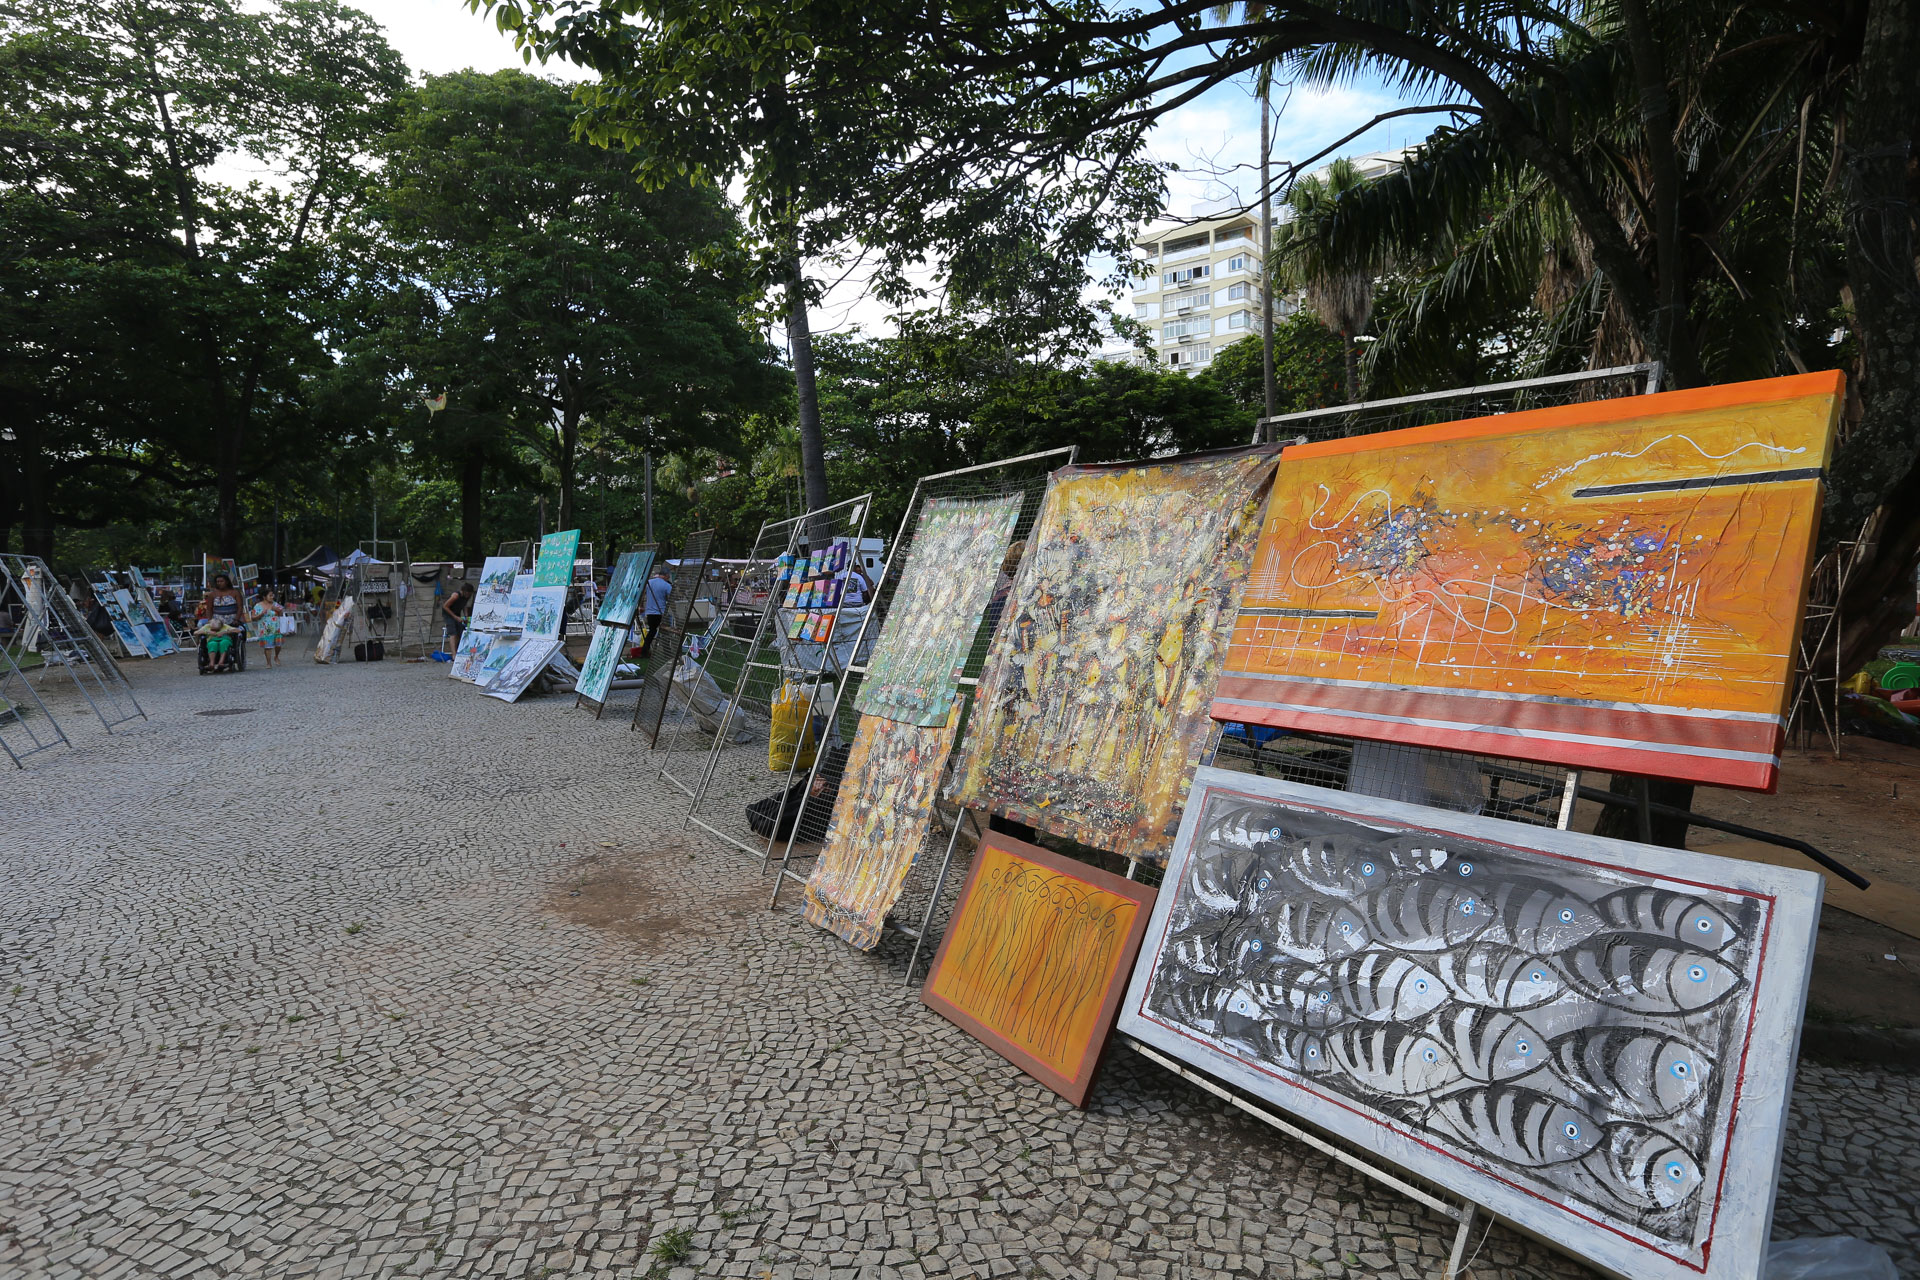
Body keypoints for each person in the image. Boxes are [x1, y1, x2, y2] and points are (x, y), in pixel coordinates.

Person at [638, 566, 672, 658]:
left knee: (652, 631)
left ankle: (644, 651)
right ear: (666, 575)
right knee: (665, 632)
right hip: (661, 612)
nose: (669, 578)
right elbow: (671, 598)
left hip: (650, 613)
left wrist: (641, 605)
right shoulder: (666, 585)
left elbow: (642, 594)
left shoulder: (649, 582)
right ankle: (667, 653)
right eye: (668, 576)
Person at [250, 589, 286, 668]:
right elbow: (253, 617)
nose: (272, 597)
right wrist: (261, 614)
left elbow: (281, 614)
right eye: (270, 595)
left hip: (276, 628)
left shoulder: (275, 604)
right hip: (265, 629)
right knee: (267, 647)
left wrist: (278, 611)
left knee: (278, 645)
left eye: (272, 595)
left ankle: (276, 656)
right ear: (264, 597)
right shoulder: (258, 606)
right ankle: (268, 663)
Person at [441, 582, 473, 648]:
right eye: (467, 593)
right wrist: (455, 617)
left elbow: (464, 606)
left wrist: (466, 616)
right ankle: (454, 654)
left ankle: (458, 648)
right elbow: (445, 606)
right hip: (448, 613)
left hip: (457, 613)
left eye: (470, 594)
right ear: (464, 591)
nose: (468, 595)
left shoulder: (467, 596)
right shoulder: (455, 596)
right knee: (453, 632)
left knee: (461, 630)